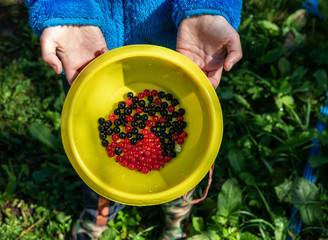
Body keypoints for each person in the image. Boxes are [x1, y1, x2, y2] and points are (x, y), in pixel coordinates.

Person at [22, 1, 243, 239]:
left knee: (190, 160)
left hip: (182, 53)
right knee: (97, 168)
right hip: (88, 57)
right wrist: (64, 11)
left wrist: (207, 9)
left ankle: (178, 211)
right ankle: (99, 214)